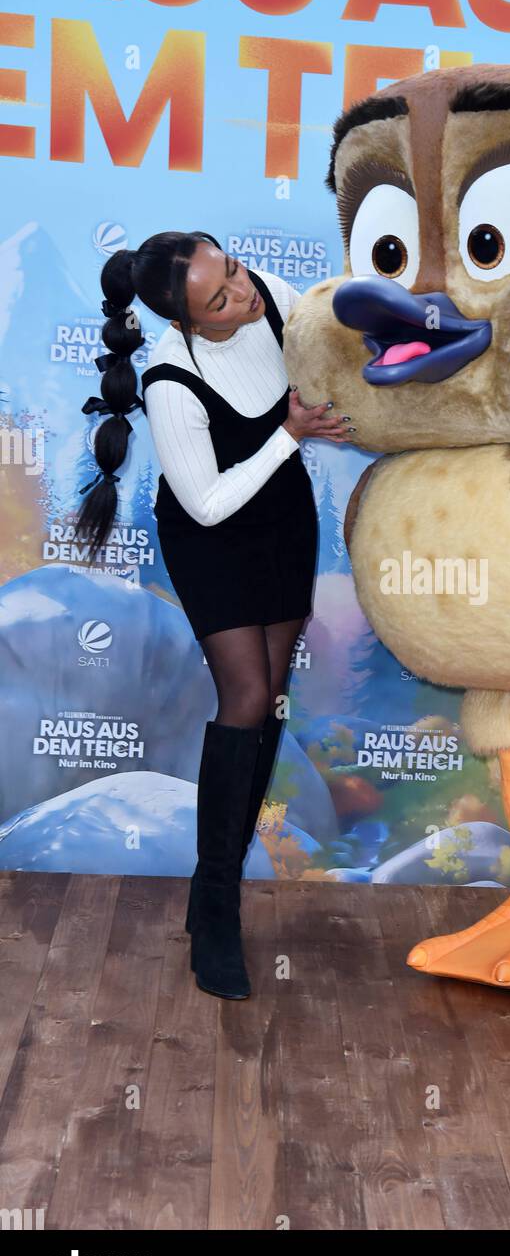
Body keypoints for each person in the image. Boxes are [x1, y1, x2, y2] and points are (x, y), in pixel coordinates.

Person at [75, 231, 350, 1000]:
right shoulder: (170, 377)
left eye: (231, 270)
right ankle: (220, 906)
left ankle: (209, 886)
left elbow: (321, 323)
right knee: (248, 698)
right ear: (187, 323)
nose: (243, 293)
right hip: (213, 534)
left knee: (271, 703)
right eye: (220, 298)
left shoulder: (262, 290)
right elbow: (206, 500)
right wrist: (288, 436)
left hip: (282, 522)